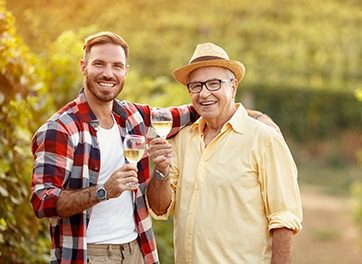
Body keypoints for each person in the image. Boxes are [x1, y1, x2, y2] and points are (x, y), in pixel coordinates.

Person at [30, 32, 272, 264]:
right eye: (99, 64)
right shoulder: (60, 129)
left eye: (116, 66)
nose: (108, 73)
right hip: (89, 253)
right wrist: (103, 191)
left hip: (138, 249)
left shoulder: (133, 117)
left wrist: (253, 116)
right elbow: (42, 201)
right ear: (84, 66)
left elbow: (191, 111)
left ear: (125, 71)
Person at [146, 42, 303, 264]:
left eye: (214, 83)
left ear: (233, 87)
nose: (204, 93)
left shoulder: (264, 139)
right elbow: (160, 207)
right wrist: (161, 172)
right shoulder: (181, 140)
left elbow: (284, 219)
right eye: (196, 86)